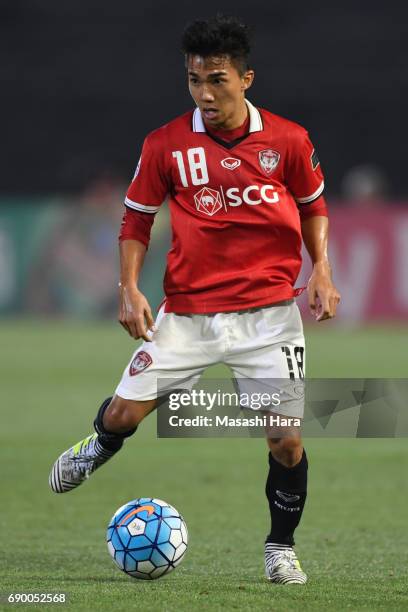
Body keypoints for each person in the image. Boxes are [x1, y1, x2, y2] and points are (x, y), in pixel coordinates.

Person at [49, 15, 340, 585]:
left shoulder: (288, 139)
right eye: (194, 80)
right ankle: (100, 443)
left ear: (247, 78)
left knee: (285, 440)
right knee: (125, 414)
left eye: (218, 80)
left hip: (269, 317)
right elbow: (136, 220)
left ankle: (280, 548)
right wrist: (129, 288)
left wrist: (322, 268)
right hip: (186, 314)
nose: (205, 93)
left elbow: (313, 206)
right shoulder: (165, 144)